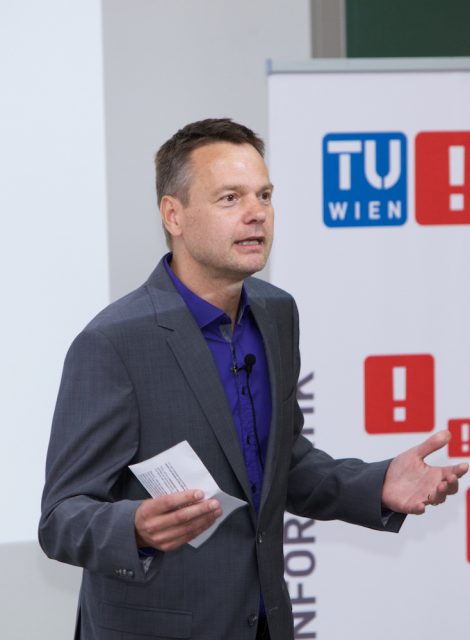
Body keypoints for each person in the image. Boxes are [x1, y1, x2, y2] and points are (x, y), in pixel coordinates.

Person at [39, 118, 468, 640]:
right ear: (173, 214)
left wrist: (378, 484)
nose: (256, 213)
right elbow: (61, 517)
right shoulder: (114, 342)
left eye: (264, 195)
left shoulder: (275, 312)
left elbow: (280, 464)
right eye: (230, 198)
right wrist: (135, 527)